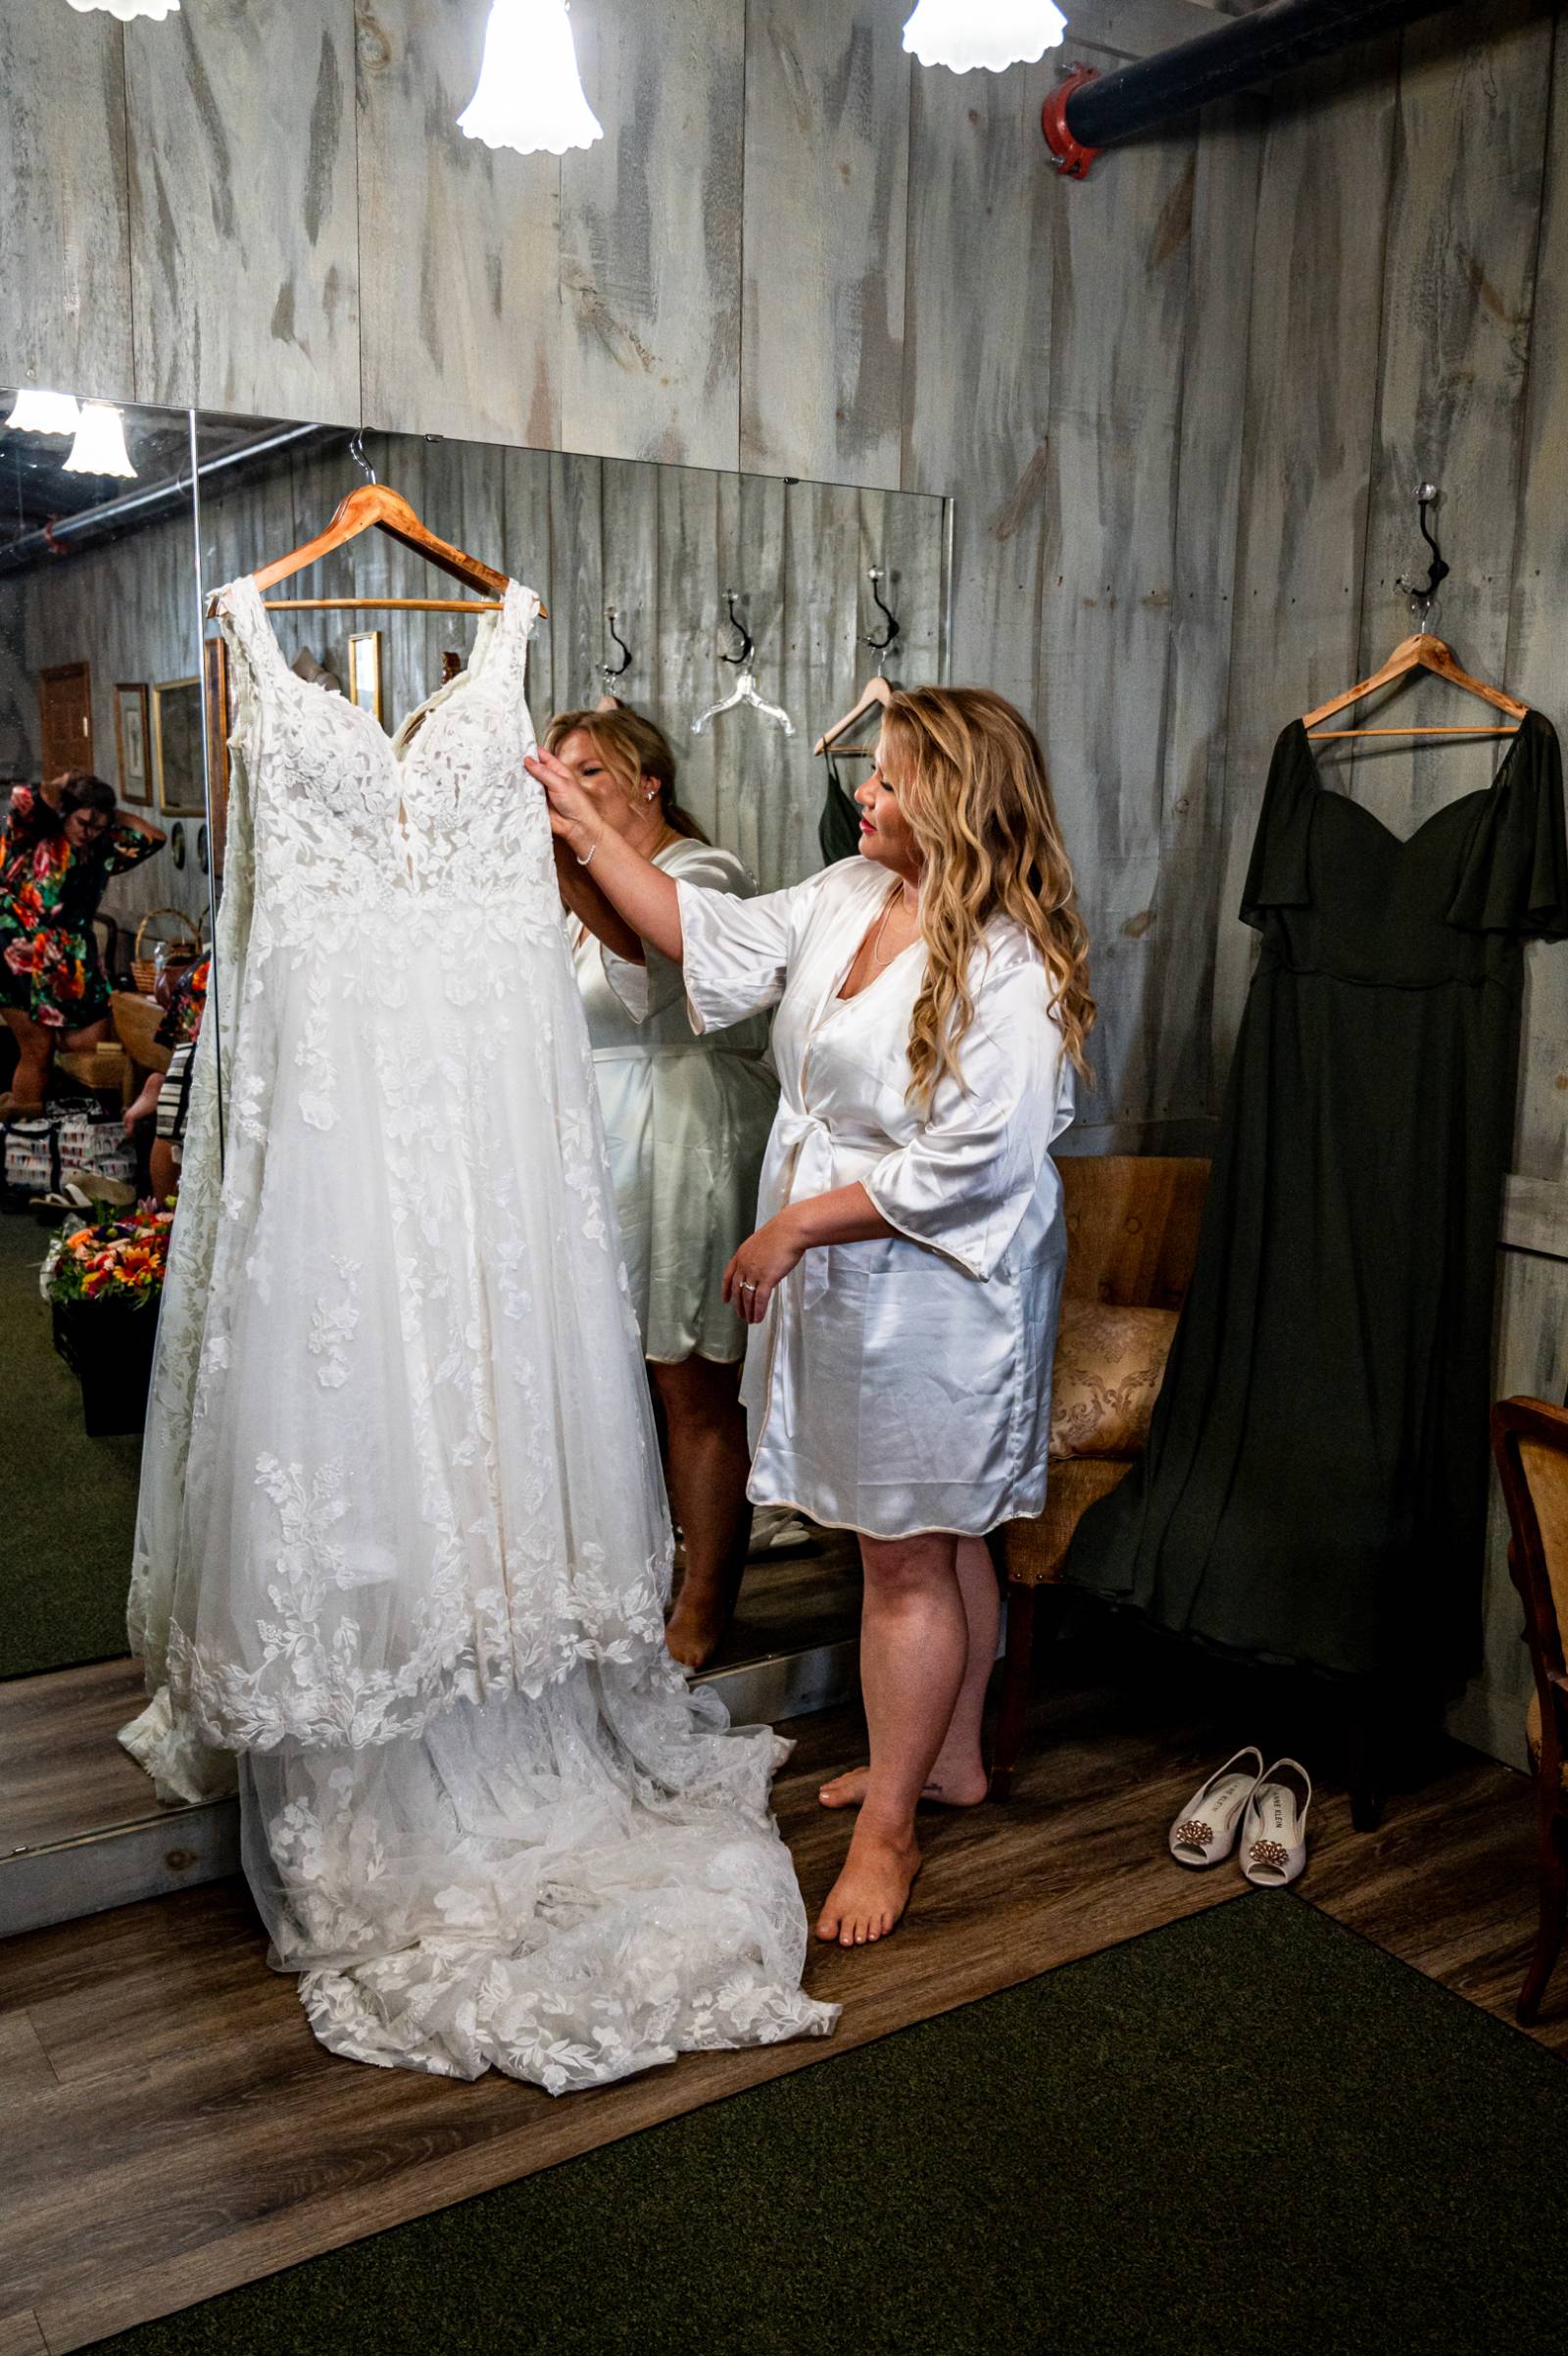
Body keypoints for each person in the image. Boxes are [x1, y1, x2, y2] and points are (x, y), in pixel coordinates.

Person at [526, 686, 1094, 1947]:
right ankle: (949, 1760)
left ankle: (888, 1828)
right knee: (932, 1533)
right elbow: (706, 933)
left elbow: (974, 1164)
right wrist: (585, 827)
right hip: (853, 1273)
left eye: (888, 778)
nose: (864, 793)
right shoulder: (848, 893)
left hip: (941, 1290)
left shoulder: (1009, 960)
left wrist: (794, 1224)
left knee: (908, 1553)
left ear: (955, 799)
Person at [547, 708, 779, 1669]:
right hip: (602, 1145)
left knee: (690, 1381)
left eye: (591, 772)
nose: (570, 788)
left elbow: (651, 959)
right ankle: (630, 1573)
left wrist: (569, 852)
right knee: (614, 1375)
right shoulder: (573, 882)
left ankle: (706, 1596)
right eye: (559, 772)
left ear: (650, 780)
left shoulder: (702, 872)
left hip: (685, 1132)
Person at [0, 770, 165, 1117]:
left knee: (93, 1042)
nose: (88, 832)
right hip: (19, 954)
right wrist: (63, 787)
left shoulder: (99, 850)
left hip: (72, 961)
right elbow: (26, 797)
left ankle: (46, 1118)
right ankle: (24, 1126)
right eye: (83, 822)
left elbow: (154, 837)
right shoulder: (28, 837)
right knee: (37, 1050)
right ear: (65, 812)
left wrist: (104, 811)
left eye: (98, 826)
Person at [123, 951, 210, 1199]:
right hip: (218, 984)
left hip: (204, 977)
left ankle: (165, 1083)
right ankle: (164, 1212)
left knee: (185, 1100)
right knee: (189, 1108)